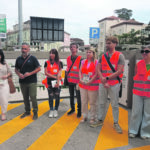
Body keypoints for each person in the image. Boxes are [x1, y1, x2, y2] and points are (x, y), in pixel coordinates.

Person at [92, 36, 125, 133]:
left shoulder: (120, 56)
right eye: (107, 43)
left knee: (114, 104)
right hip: (103, 82)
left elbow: (119, 71)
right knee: (101, 102)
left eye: (109, 43)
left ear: (115, 44)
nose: (107, 45)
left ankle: (116, 123)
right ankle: (100, 120)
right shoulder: (103, 56)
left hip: (114, 83)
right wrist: (103, 79)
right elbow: (98, 68)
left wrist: (106, 79)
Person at [129, 45, 150, 139]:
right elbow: (135, 77)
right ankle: (133, 131)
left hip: (149, 94)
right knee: (136, 112)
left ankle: (145, 133)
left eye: (147, 51)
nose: (144, 53)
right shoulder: (139, 64)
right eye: (143, 51)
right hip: (138, 93)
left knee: (148, 114)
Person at [15, 43, 41, 120]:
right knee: (25, 98)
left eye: (25, 49)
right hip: (22, 82)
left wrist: (29, 73)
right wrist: (19, 74)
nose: (23, 50)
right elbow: (16, 69)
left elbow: (39, 68)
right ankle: (27, 111)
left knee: (33, 97)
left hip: (32, 81)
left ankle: (35, 112)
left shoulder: (33, 58)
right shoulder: (18, 59)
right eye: (22, 48)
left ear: (29, 49)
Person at [79, 47, 99, 124]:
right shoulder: (83, 61)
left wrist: (90, 81)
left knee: (92, 102)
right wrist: (80, 79)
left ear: (93, 53)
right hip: (83, 84)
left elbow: (96, 73)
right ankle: (84, 116)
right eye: (87, 52)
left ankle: (93, 117)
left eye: (90, 52)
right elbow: (80, 71)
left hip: (93, 85)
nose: (88, 54)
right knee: (84, 101)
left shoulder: (96, 62)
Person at [43, 49, 63, 118]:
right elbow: (46, 73)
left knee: (57, 95)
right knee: (50, 96)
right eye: (50, 53)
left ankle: (56, 110)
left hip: (57, 81)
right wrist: (54, 76)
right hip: (49, 82)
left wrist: (57, 81)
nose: (51, 54)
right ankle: (51, 109)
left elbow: (60, 73)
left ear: (56, 54)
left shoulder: (60, 62)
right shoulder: (46, 62)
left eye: (53, 53)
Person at [66, 43, 82, 118]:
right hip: (70, 80)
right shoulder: (68, 58)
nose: (72, 48)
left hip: (78, 82)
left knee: (78, 97)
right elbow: (68, 68)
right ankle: (72, 109)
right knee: (71, 96)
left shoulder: (80, 59)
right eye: (71, 47)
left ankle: (79, 111)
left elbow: (81, 70)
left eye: (74, 47)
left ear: (77, 49)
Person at [0, 49, 12, 121]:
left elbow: (10, 72)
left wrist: (6, 76)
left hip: (4, 84)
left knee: (4, 100)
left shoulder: (5, 63)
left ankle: (3, 114)